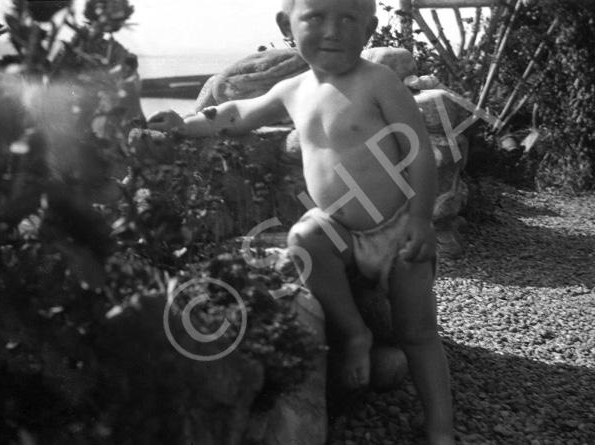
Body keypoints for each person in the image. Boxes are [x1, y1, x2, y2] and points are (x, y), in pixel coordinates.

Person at [147, 0, 455, 443]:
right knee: (304, 235)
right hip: (341, 231)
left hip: (397, 227)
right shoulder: (293, 89)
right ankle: (354, 334)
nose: (333, 31)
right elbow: (236, 115)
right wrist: (183, 123)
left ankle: (440, 429)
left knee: (417, 332)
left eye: (349, 19)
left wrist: (422, 220)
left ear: (369, 30)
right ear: (285, 25)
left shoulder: (378, 82)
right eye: (316, 17)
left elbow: (421, 151)